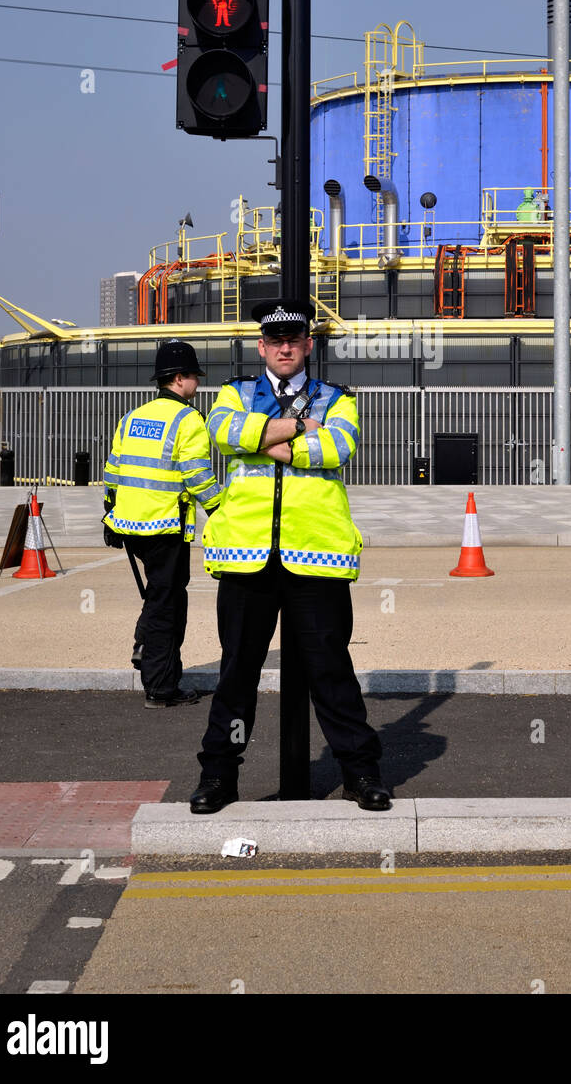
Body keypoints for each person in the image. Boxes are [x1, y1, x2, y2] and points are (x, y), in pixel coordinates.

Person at [190, 298, 390, 813]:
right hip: (244, 557)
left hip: (315, 559)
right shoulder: (231, 394)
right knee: (237, 674)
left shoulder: (338, 399)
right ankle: (219, 776)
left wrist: (262, 438)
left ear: (308, 345)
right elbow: (225, 434)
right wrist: (301, 429)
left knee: (331, 672)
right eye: (274, 340)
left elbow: (335, 449)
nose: (284, 347)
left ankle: (361, 772)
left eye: (293, 339)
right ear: (261, 347)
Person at [103, 339, 222, 709]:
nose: (197, 384)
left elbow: (112, 470)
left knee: (159, 596)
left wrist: (110, 512)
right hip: (165, 526)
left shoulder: (132, 417)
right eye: (195, 377)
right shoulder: (189, 419)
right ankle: (161, 687)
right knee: (169, 605)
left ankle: (144, 644)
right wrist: (221, 509)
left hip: (128, 524)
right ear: (181, 378)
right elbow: (197, 474)